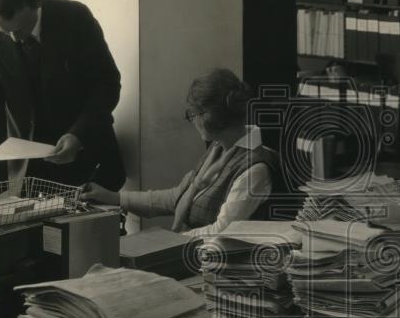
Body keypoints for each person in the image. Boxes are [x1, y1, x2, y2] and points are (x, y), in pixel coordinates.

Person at [0, 0, 125, 188]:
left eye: (21, 29)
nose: (14, 38)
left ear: (36, 2)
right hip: (29, 169)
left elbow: (107, 84)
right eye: (4, 31)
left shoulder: (75, 17)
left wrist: (78, 135)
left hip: (88, 157)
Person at [85, 69, 277, 237]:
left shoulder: (254, 170)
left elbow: (221, 232)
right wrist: (114, 197)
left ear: (207, 117)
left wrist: (168, 241)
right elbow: (176, 197)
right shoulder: (218, 149)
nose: (192, 121)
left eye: (192, 114)